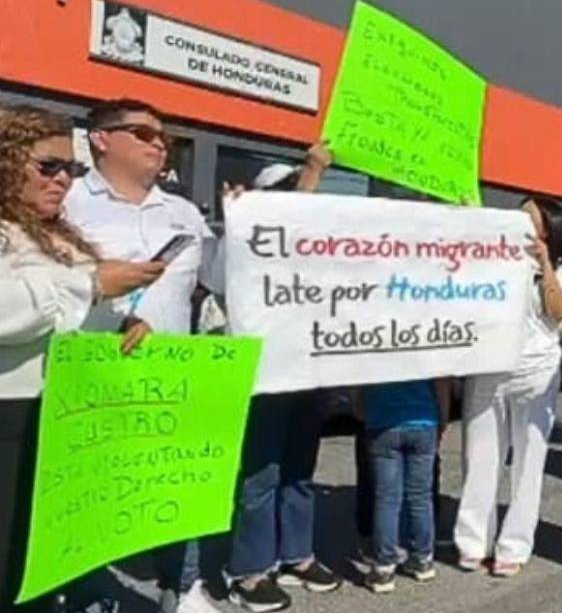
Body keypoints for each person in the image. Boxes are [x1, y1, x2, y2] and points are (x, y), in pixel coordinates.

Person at [0, 105, 163, 609]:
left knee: (44, 559)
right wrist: (89, 284)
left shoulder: (60, 234)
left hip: (67, 415)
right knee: (9, 558)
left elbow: (76, 313)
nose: (62, 180)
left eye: (70, 168)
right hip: (11, 416)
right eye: (48, 166)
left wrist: (123, 324)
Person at [62, 98, 221, 613]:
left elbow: (220, 279)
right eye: (144, 134)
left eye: (164, 137)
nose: (160, 144)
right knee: (85, 497)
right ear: (101, 138)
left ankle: (185, 587)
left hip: (169, 382)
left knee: (176, 488)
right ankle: (85, 592)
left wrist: (249, 228)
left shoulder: (183, 212)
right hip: (91, 384)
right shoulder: (66, 202)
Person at [218, 143, 343, 612]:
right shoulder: (245, 238)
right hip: (264, 376)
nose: (301, 198)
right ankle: (249, 570)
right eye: (288, 191)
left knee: (299, 471)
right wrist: (312, 172)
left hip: (308, 372)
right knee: (261, 474)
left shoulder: (317, 246)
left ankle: (296, 555)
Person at [454, 197, 562, 577]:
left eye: (529, 218)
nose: (520, 220)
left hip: (536, 373)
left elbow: (559, 313)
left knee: (528, 462)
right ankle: (473, 541)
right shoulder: (496, 256)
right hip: (489, 368)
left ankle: (514, 544)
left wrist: (544, 264)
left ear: (547, 229)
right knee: (479, 457)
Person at [361, 379, 453, 593]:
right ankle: (422, 559)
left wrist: (360, 404)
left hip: (382, 420)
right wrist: (443, 416)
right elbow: (441, 381)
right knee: (420, 496)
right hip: (423, 419)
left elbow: (357, 379)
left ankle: (384, 567)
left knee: (387, 499)